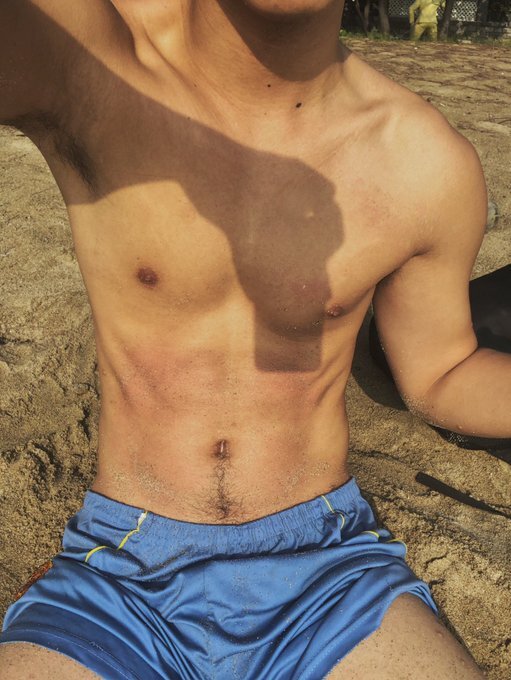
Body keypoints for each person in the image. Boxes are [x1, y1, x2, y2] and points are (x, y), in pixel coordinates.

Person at [0, 1, 508, 678]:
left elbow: (443, 371)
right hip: (119, 569)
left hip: (329, 570)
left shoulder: (424, 162)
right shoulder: (93, 58)